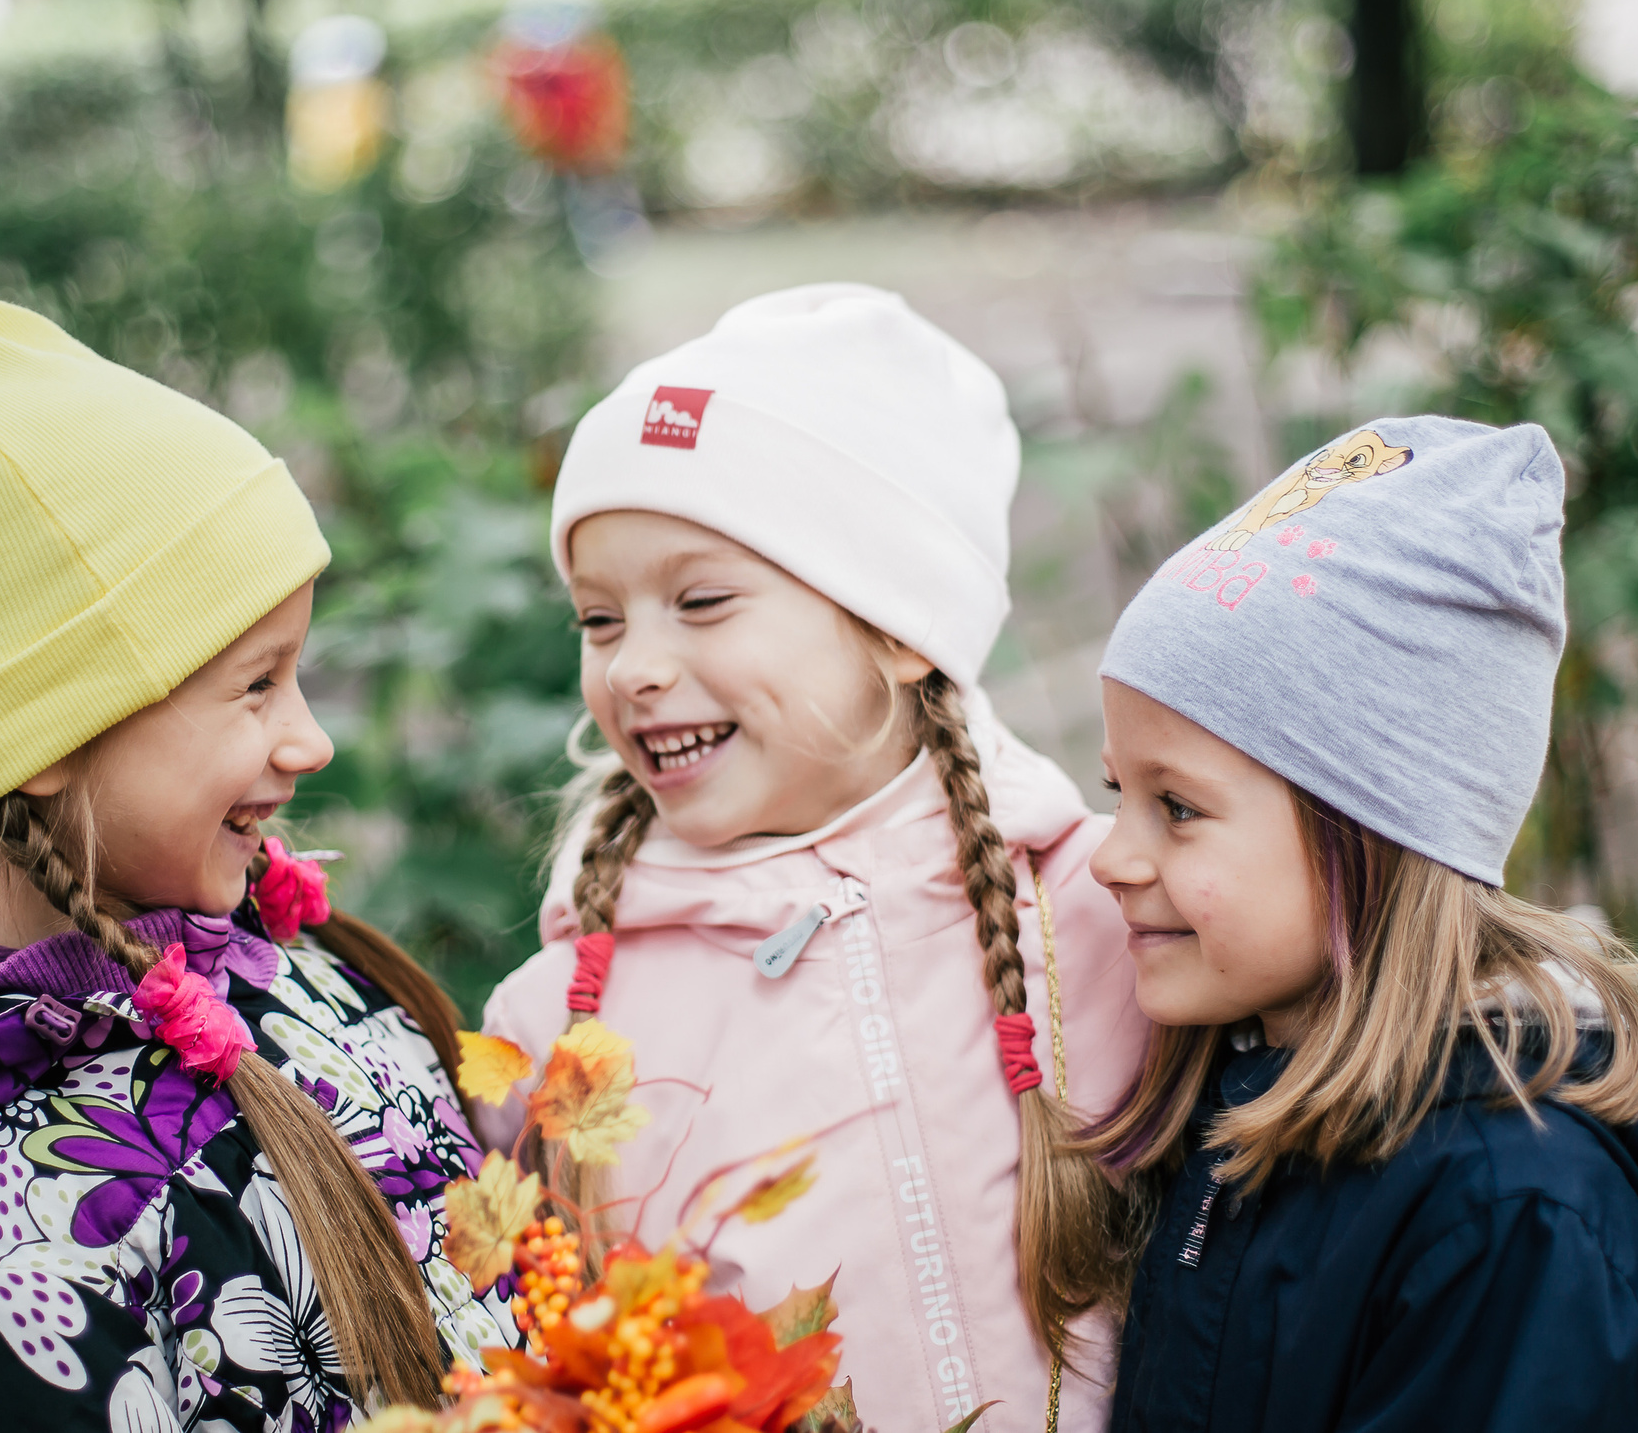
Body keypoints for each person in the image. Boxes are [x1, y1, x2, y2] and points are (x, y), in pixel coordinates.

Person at [0, 298, 515, 1430]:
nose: (310, 740)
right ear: (46, 739)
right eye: (256, 684)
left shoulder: (283, 961)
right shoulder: (4, 1258)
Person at [473, 284, 1147, 1432]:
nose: (634, 666)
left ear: (897, 627)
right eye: (598, 620)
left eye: (700, 600)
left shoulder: (1104, 911)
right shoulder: (560, 1032)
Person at [1087, 415, 1638, 1432]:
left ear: (1373, 831)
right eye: (1115, 788)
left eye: (1176, 807)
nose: (1108, 857)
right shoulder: (1240, 1077)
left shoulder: (1512, 1218)